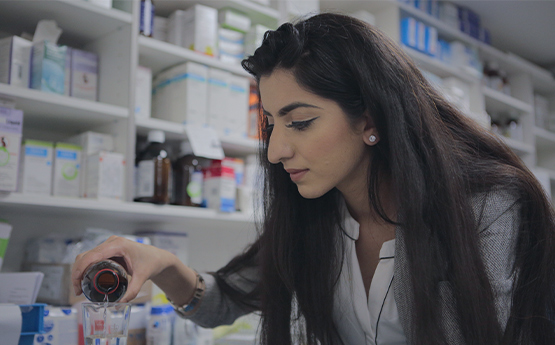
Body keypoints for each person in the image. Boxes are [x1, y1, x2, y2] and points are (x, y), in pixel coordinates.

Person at [72, 13, 555, 345]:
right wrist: (158, 264)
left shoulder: (489, 204)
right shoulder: (315, 213)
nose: (277, 150)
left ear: (370, 119)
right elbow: (222, 302)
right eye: (270, 124)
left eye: (300, 122)